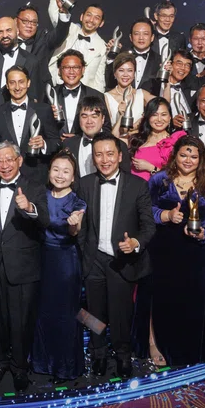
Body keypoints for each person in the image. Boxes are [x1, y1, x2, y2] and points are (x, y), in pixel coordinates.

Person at [137, 135, 205, 367]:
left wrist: (204, 232)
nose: (188, 160)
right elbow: (145, 210)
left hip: (197, 253)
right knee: (164, 299)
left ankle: (189, 350)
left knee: (193, 301)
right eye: (183, 154)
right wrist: (165, 216)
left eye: (193, 156)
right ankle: (159, 346)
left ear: (201, 159)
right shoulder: (159, 180)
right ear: (175, 156)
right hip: (163, 250)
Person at [78, 132, 155, 380]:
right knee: (93, 312)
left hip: (122, 260)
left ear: (120, 156)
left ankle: (123, 356)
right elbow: (80, 225)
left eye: (110, 153)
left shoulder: (138, 185)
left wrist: (135, 244)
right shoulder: (85, 183)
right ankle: (98, 354)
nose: (104, 159)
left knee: (121, 313)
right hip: (94, 260)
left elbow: (148, 226)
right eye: (98, 154)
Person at [0, 142, 50, 392]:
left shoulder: (35, 186)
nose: (5, 165)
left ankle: (20, 367)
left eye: (9, 159)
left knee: (21, 321)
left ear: (19, 160)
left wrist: (28, 208)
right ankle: (0, 362)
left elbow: (45, 219)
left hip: (23, 266)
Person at [31, 151, 86, 381]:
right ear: (49, 171)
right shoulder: (41, 196)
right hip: (42, 259)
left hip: (65, 262)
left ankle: (65, 367)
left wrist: (73, 225)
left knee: (65, 315)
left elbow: (75, 231)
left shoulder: (77, 201)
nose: (60, 175)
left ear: (73, 177)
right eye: (56, 169)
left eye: (66, 171)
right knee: (43, 313)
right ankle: (43, 364)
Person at [0, 65, 60, 180]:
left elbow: (56, 142)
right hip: (6, 176)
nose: (17, 87)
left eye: (21, 82)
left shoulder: (44, 110)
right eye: (12, 82)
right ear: (7, 85)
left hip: (36, 178)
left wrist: (44, 144)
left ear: (28, 83)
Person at [129, 97, 187, 181]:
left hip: (159, 191)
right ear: (148, 117)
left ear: (170, 117)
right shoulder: (137, 139)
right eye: (154, 115)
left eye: (163, 115)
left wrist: (152, 168)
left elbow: (180, 176)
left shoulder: (176, 140)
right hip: (136, 190)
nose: (159, 119)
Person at [49, 50, 101, 138]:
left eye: (76, 67)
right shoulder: (50, 94)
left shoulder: (96, 95)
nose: (71, 72)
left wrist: (80, 137)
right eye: (66, 67)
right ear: (59, 70)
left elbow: (106, 128)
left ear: (83, 69)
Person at [104, 52, 151, 138]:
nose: (125, 75)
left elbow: (163, 106)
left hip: (139, 143)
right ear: (115, 74)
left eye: (130, 70)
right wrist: (121, 115)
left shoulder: (142, 93)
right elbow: (110, 132)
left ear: (134, 74)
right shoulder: (107, 97)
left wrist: (142, 121)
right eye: (121, 70)